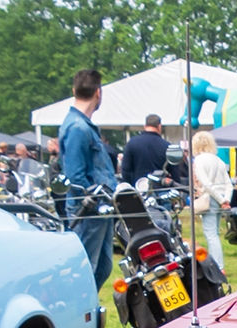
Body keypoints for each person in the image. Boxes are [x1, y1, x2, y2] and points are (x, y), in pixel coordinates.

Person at [59, 68, 117, 291]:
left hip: (101, 210)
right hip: (88, 212)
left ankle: (89, 316)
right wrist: (95, 198)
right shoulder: (77, 127)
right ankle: (79, 318)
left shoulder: (83, 125)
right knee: (84, 272)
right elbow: (75, 177)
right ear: (98, 93)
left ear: (74, 90)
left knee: (103, 267)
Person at [191, 130, 233, 271]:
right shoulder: (218, 160)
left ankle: (217, 266)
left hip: (211, 198)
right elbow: (229, 184)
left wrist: (221, 200)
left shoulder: (199, 160)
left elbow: (206, 184)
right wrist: (226, 198)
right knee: (214, 232)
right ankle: (218, 265)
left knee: (211, 234)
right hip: (221, 196)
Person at [120, 113, 179, 185]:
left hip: (138, 190)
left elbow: (125, 171)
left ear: (145, 126)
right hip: (160, 191)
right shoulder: (167, 146)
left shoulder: (131, 143)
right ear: (159, 126)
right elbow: (175, 174)